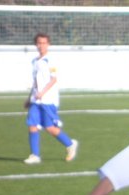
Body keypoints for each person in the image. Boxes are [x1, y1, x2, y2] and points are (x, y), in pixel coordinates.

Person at [23, 33, 78, 165]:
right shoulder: (34, 61)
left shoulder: (50, 60)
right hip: (36, 100)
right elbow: (35, 82)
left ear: (48, 44)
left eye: (44, 43)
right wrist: (29, 98)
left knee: (50, 128)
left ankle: (70, 144)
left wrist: (42, 92)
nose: (41, 45)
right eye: (39, 43)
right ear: (36, 44)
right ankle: (35, 155)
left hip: (48, 100)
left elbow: (53, 79)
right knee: (32, 125)